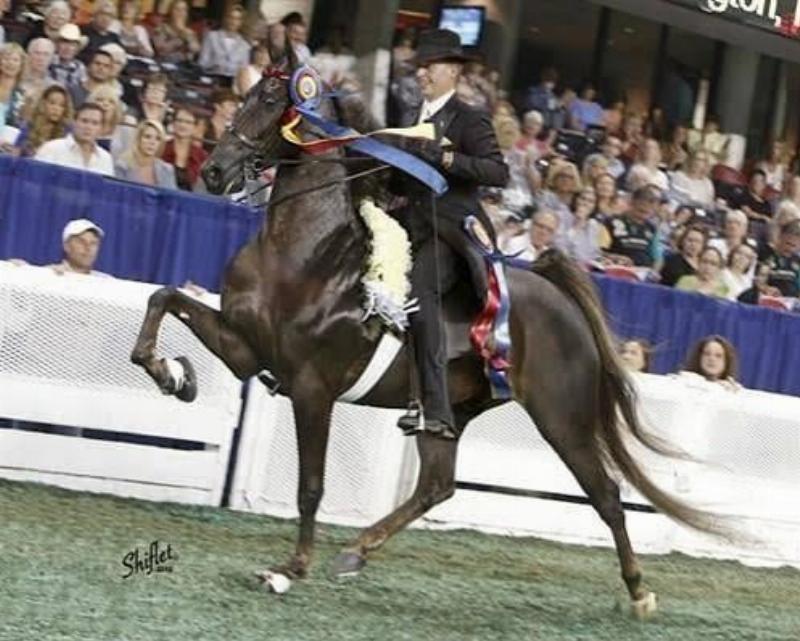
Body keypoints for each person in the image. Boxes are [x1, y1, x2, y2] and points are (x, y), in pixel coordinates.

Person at [384, 29, 508, 438]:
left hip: (451, 231)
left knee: (422, 289)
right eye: (419, 66)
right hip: (410, 224)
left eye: (429, 66)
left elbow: (496, 171)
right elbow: (404, 183)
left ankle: (435, 406)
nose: (421, 74)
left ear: (452, 71)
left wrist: (449, 157)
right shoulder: (410, 119)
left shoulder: (470, 118)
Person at [35, 101, 114, 175]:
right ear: (74, 122)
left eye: (95, 123)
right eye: (84, 121)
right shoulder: (52, 148)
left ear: (101, 128)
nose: (88, 127)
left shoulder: (105, 158)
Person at [604, 186, 662, 268]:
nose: (643, 217)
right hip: (615, 270)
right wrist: (616, 258)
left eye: (648, 213)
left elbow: (658, 259)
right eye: (641, 211)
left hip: (643, 274)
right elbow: (598, 251)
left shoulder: (652, 228)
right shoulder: (610, 222)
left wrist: (654, 272)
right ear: (632, 203)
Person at [13, 83, 73, 156]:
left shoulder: (67, 130)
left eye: (62, 105)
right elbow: (15, 154)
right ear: (43, 103)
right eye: (52, 103)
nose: (56, 108)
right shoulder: (30, 125)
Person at [115, 118, 176, 188]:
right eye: (147, 137)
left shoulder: (166, 170)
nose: (152, 142)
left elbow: (171, 197)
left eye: (158, 139)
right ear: (139, 139)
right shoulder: (122, 167)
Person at [198, 4, 250, 81]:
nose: (233, 22)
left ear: (241, 22)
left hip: (232, 82)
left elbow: (244, 70)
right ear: (225, 18)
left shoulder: (244, 45)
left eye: (237, 19)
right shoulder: (212, 37)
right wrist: (215, 65)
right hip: (212, 78)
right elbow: (202, 62)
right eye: (231, 18)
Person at [161, 106, 206, 191]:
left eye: (188, 122)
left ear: (194, 127)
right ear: (173, 124)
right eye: (179, 120)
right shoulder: (161, 148)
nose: (183, 125)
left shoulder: (202, 156)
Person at [87, 82, 135, 158]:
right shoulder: (83, 127)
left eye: (111, 102)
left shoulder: (125, 131)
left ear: (116, 108)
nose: (105, 104)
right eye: (100, 100)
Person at [561, 186, 606, 265]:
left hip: (587, 267)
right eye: (583, 199)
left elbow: (594, 253)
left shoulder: (593, 225)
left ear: (594, 206)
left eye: (591, 201)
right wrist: (577, 226)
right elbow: (561, 249)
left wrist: (603, 260)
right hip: (566, 264)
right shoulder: (561, 217)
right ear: (575, 200)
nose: (585, 203)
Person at [758, 219, 800, 297]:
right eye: (788, 243)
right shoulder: (767, 256)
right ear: (780, 238)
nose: (790, 249)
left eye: (794, 246)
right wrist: (766, 288)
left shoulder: (797, 262)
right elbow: (759, 283)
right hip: (771, 301)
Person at [197, 87, 238, 153]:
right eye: (230, 105)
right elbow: (196, 148)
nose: (234, 110)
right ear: (217, 106)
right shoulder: (204, 124)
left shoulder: (232, 130)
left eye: (235, 106)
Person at [0, 42, 26, 128]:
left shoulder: (23, 94)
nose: (10, 63)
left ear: (21, 65)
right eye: (6, 59)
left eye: (15, 60)